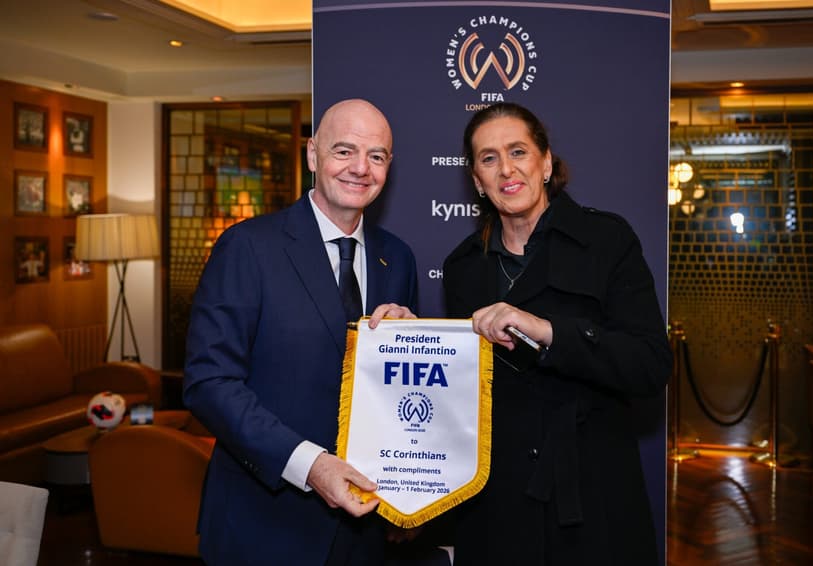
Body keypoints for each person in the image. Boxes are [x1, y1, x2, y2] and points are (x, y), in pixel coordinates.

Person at [183, 98, 418, 566]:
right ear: (312, 155)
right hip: (264, 526)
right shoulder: (248, 247)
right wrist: (310, 466)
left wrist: (411, 346)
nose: (360, 168)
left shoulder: (399, 257)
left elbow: (401, 396)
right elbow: (209, 384)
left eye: (376, 156)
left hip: (366, 528)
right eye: (344, 150)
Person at [442, 102, 672, 565]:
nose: (506, 168)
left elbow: (650, 364)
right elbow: (461, 387)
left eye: (518, 151)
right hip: (496, 502)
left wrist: (548, 332)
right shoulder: (462, 267)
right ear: (476, 181)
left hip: (590, 495)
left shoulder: (607, 240)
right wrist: (412, 338)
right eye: (488, 158)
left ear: (545, 162)